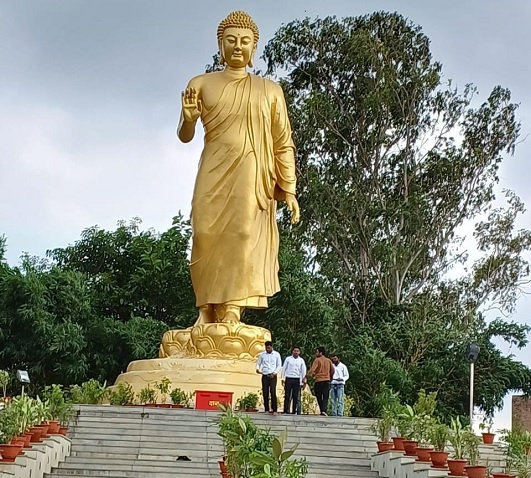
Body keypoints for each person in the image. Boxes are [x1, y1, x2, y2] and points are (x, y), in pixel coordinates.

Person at [177, 11, 300, 325]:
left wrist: (289, 187)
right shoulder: (201, 83)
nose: (237, 47)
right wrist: (190, 118)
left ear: (254, 47)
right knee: (203, 233)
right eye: (230, 40)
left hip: (250, 169)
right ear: (220, 44)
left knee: (242, 234)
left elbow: (282, 141)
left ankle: (232, 307)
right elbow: (185, 135)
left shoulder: (269, 90)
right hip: (213, 169)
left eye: (244, 41)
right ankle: (205, 309)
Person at [306, 347, 335, 416]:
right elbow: (333, 370)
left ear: (320, 353)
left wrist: (306, 375)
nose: (316, 353)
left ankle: (322, 410)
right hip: (327, 380)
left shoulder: (317, 360)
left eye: (317, 352)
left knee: (318, 396)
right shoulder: (329, 361)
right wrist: (330, 377)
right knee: (325, 397)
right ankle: (324, 410)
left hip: (319, 380)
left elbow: (313, 370)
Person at [256, 341, 282, 414]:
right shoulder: (262, 355)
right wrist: (258, 369)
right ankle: (266, 409)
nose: (268, 349)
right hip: (265, 375)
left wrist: (274, 373)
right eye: (267, 348)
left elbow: (279, 365)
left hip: (273, 375)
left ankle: (274, 409)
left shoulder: (276, 354)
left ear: (271, 347)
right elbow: (258, 363)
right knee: (265, 392)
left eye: (269, 348)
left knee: (273, 392)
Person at [282, 346, 306, 414]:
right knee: (287, 395)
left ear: (299, 352)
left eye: (297, 351)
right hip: (289, 378)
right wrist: (283, 378)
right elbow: (284, 369)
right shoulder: (288, 359)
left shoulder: (301, 360)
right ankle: (286, 410)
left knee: (295, 396)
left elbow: (303, 371)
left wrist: (303, 381)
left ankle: (294, 410)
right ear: (292, 351)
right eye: (294, 351)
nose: (296, 352)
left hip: (297, 379)